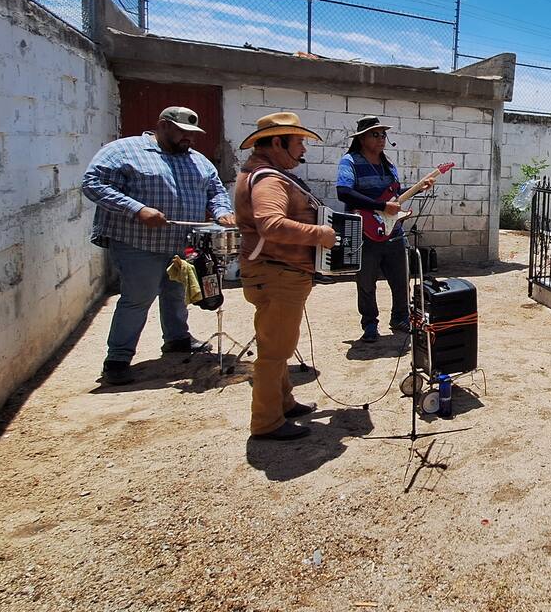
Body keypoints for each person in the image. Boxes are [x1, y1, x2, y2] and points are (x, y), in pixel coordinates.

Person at [83, 106, 234, 386]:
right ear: (163, 125)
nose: (189, 139)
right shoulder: (123, 151)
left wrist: (222, 211)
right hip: (137, 242)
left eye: (192, 134)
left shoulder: (198, 161)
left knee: (176, 291)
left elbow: (216, 192)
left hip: (181, 242)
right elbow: (93, 184)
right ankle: (117, 359)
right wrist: (137, 209)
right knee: (138, 297)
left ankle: (177, 339)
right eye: (183, 132)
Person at [235, 112, 337, 441]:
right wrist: (319, 234)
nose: (303, 150)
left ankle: (284, 403)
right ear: (278, 143)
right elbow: (271, 225)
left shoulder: (263, 173)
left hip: (275, 273)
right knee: (274, 351)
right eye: (299, 143)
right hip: (278, 274)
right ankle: (266, 422)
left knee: (277, 343)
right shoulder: (270, 180)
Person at [336, 116, 434, 343]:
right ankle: (369, 324)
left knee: (401, 280)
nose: (381, 139)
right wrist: (381, 206)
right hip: (364, 233)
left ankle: (400, 318)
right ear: (361, 138)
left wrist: (418, 188)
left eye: (383, 134)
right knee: (366, 282)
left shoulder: (388, 165)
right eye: (375, 134)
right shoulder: (349, 161)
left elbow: (394, 199)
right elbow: (344, 192)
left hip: (393, 232)